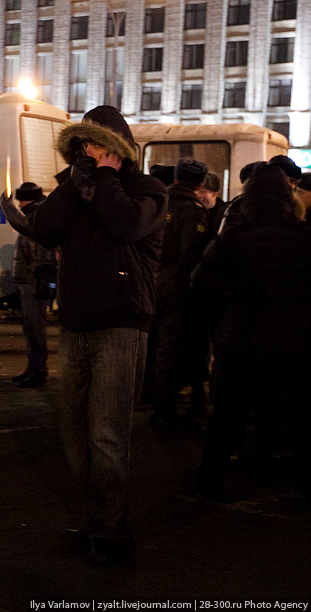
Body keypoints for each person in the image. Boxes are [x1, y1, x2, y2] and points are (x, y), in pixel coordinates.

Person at [26, 106, 168, 564]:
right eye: (85, 146)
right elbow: (43, 228)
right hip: (76, 324)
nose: (91, 152)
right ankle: (95, 516)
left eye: (99, 145)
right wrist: (75, 182)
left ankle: (110, 530)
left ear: (119, 149)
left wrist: (106, 179)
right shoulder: (78, 189)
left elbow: (126, 224)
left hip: (121, 324)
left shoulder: (147, 190)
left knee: (107, 433)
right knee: (73, 431)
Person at [192, 163, 311, 500]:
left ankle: (209, 480)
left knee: (227, 414)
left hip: (241, 338)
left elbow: (201, 284)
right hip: (294, 340)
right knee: (298, 413)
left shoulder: (233, 238)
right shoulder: (303, 237)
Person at [150, 159, 212, 426]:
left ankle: (151, 393)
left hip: (152, 283)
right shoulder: (192, 209)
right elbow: (191, 252)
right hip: (178, 287)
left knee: (154, 343)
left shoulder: (158, 203)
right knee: (174, 346)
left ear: (175, 179)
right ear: (199, 183)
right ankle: (164, 406)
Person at [1, 182, 57, 388]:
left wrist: (7, 208)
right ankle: (33, 367)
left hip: (34, 280)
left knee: (35, 328)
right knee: (31, 327)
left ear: (28, 199)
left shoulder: (37, 215)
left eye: (21, 200)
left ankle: (38, 370)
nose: (20, 204)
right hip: (31, 279)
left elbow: (38, 249)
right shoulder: (37, 214)